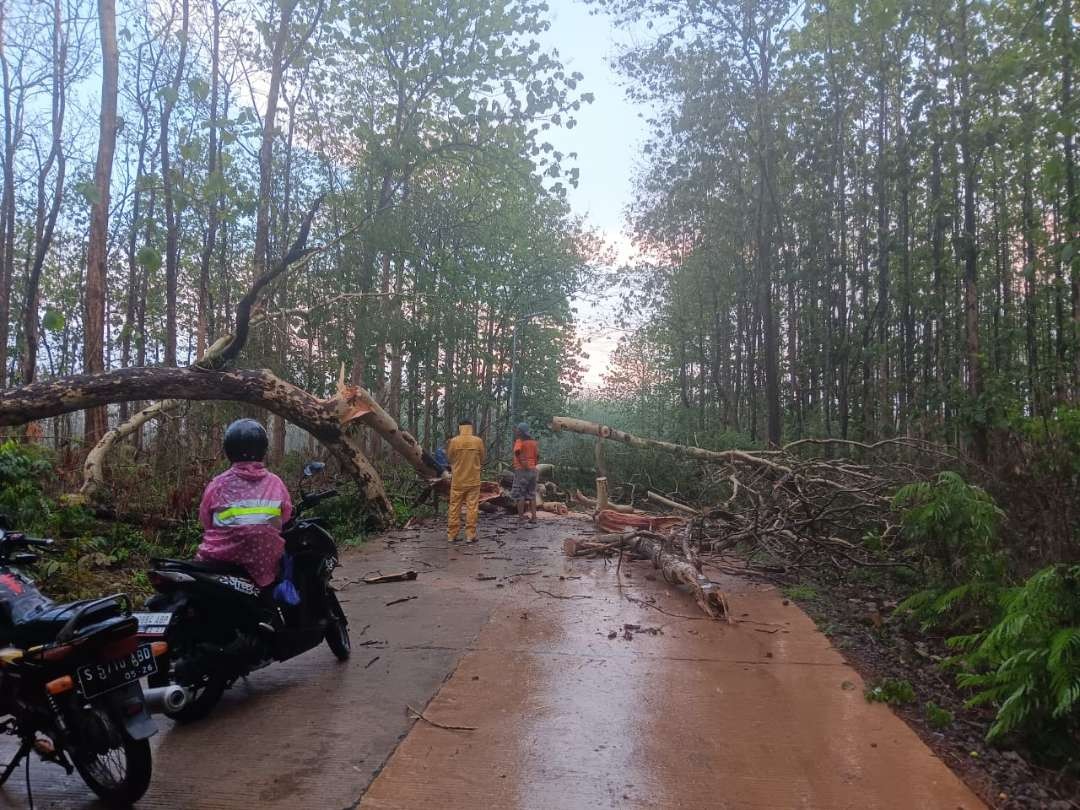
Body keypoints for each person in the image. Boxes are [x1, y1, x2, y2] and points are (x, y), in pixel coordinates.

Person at [196, 418, 292, 588]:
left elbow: (206, 520)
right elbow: (285, 515)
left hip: (221, 561)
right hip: (263, 563)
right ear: (263, 448)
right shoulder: (275, 482)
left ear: (229, 449)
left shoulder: (218, 484)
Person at [446, 418, 485, 543]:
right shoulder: (478, 441)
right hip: (473, 480)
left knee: (454, 507)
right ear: (471, 427)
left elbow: (450, 458)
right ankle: (470, 535)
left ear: (460, 427)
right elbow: (482, 458)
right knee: (472, 508)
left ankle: (452, 535)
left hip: (458, 480)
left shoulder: (454, 441)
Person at [511, 422, 539, 523]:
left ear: (521, 432)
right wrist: (533, 466)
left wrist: (523, 463)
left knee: (520, 494)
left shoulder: (519, 441)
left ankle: (521, 518)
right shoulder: (533, 442)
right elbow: (537, 456)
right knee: (532, 494)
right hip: (533, 470)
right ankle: (534, 518)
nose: (517, 431)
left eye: (518, 430)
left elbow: (517, 451)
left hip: (522, 470)